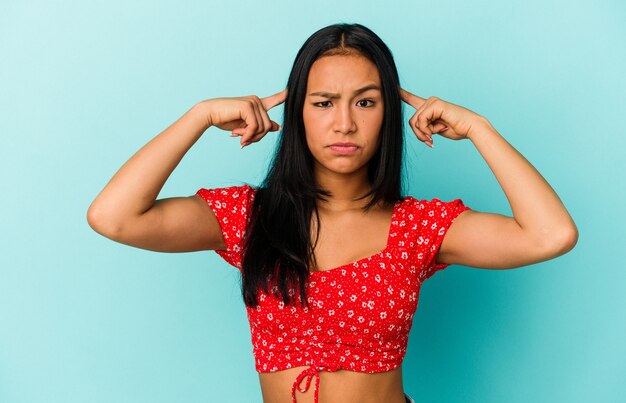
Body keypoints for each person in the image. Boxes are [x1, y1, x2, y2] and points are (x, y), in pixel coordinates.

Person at [87, 23, 578, 403]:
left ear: (388, 113)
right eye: (323, 102)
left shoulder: (418, 227)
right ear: (299, 111)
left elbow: (550, 234)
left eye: (365, 102)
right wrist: (198, 116)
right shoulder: (249, 217)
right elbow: (115, 217)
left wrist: (479, 128)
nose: (344, 123)